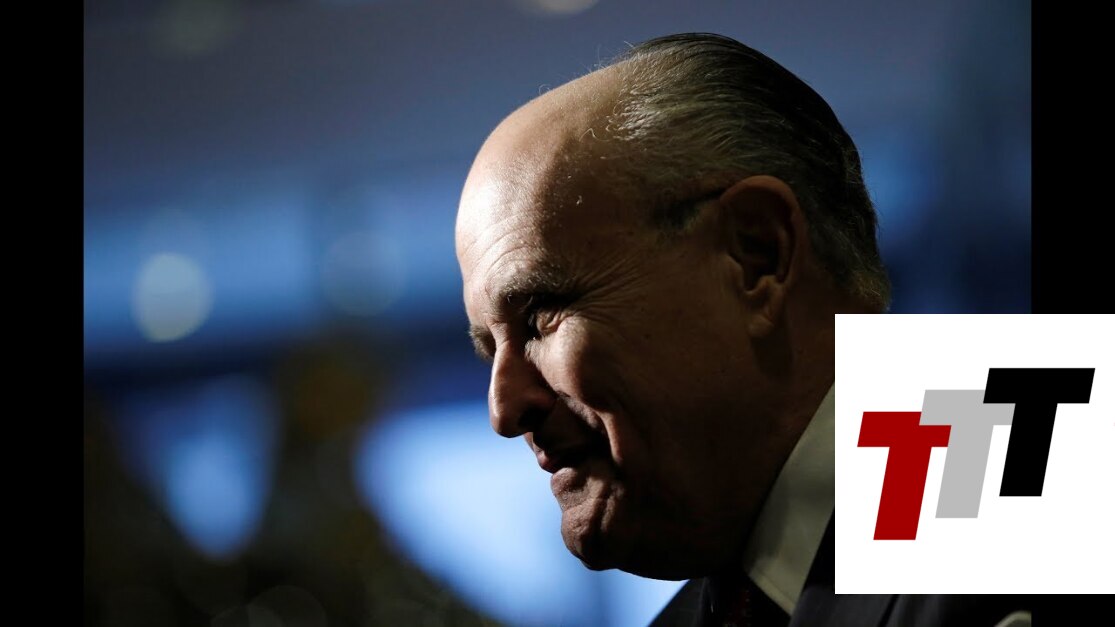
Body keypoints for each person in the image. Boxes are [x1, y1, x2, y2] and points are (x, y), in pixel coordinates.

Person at [454, 33, 1034, 627]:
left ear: (756, 254)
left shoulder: (1045, 475)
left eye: (540, 317)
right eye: (489, 350)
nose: (505, 409)